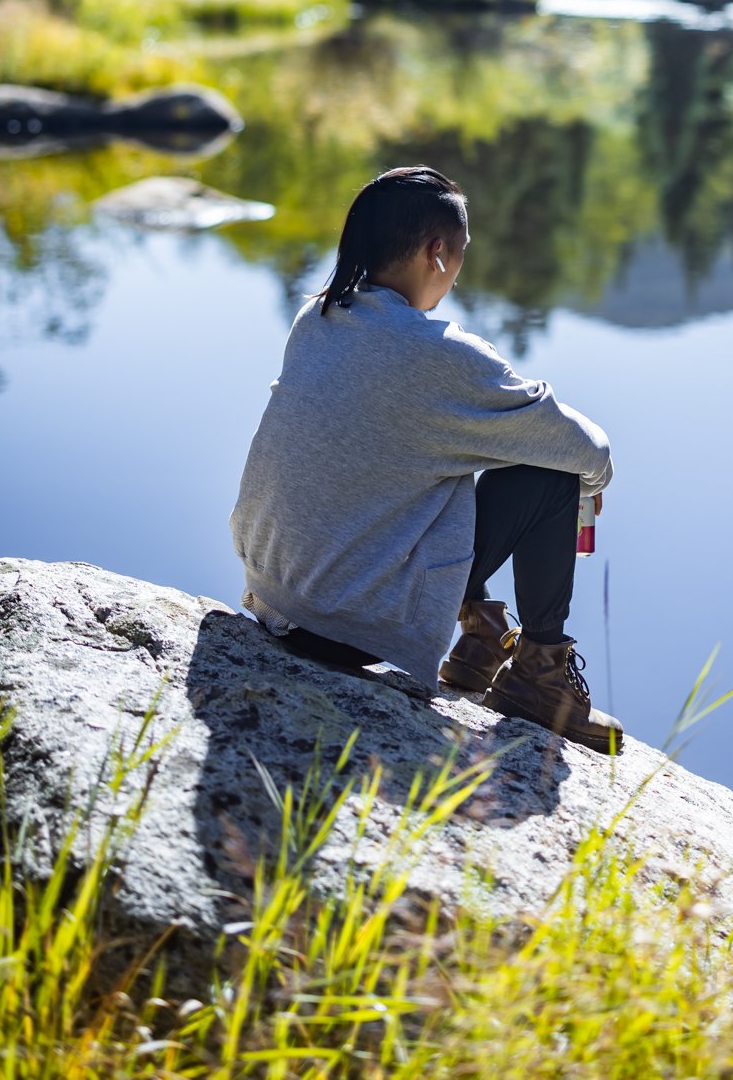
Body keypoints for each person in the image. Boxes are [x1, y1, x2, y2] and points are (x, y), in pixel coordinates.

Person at [229, 164, 622, 754]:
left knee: (440, 453)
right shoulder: (440, 356)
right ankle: (539, 676)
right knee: (548, 471)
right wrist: (589, 484)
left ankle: (481, 639)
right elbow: (589, 450)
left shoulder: (318, 318)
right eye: (460, 254)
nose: (457, 273)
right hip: (349, 622)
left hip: (274, 593)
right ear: (437, 252)